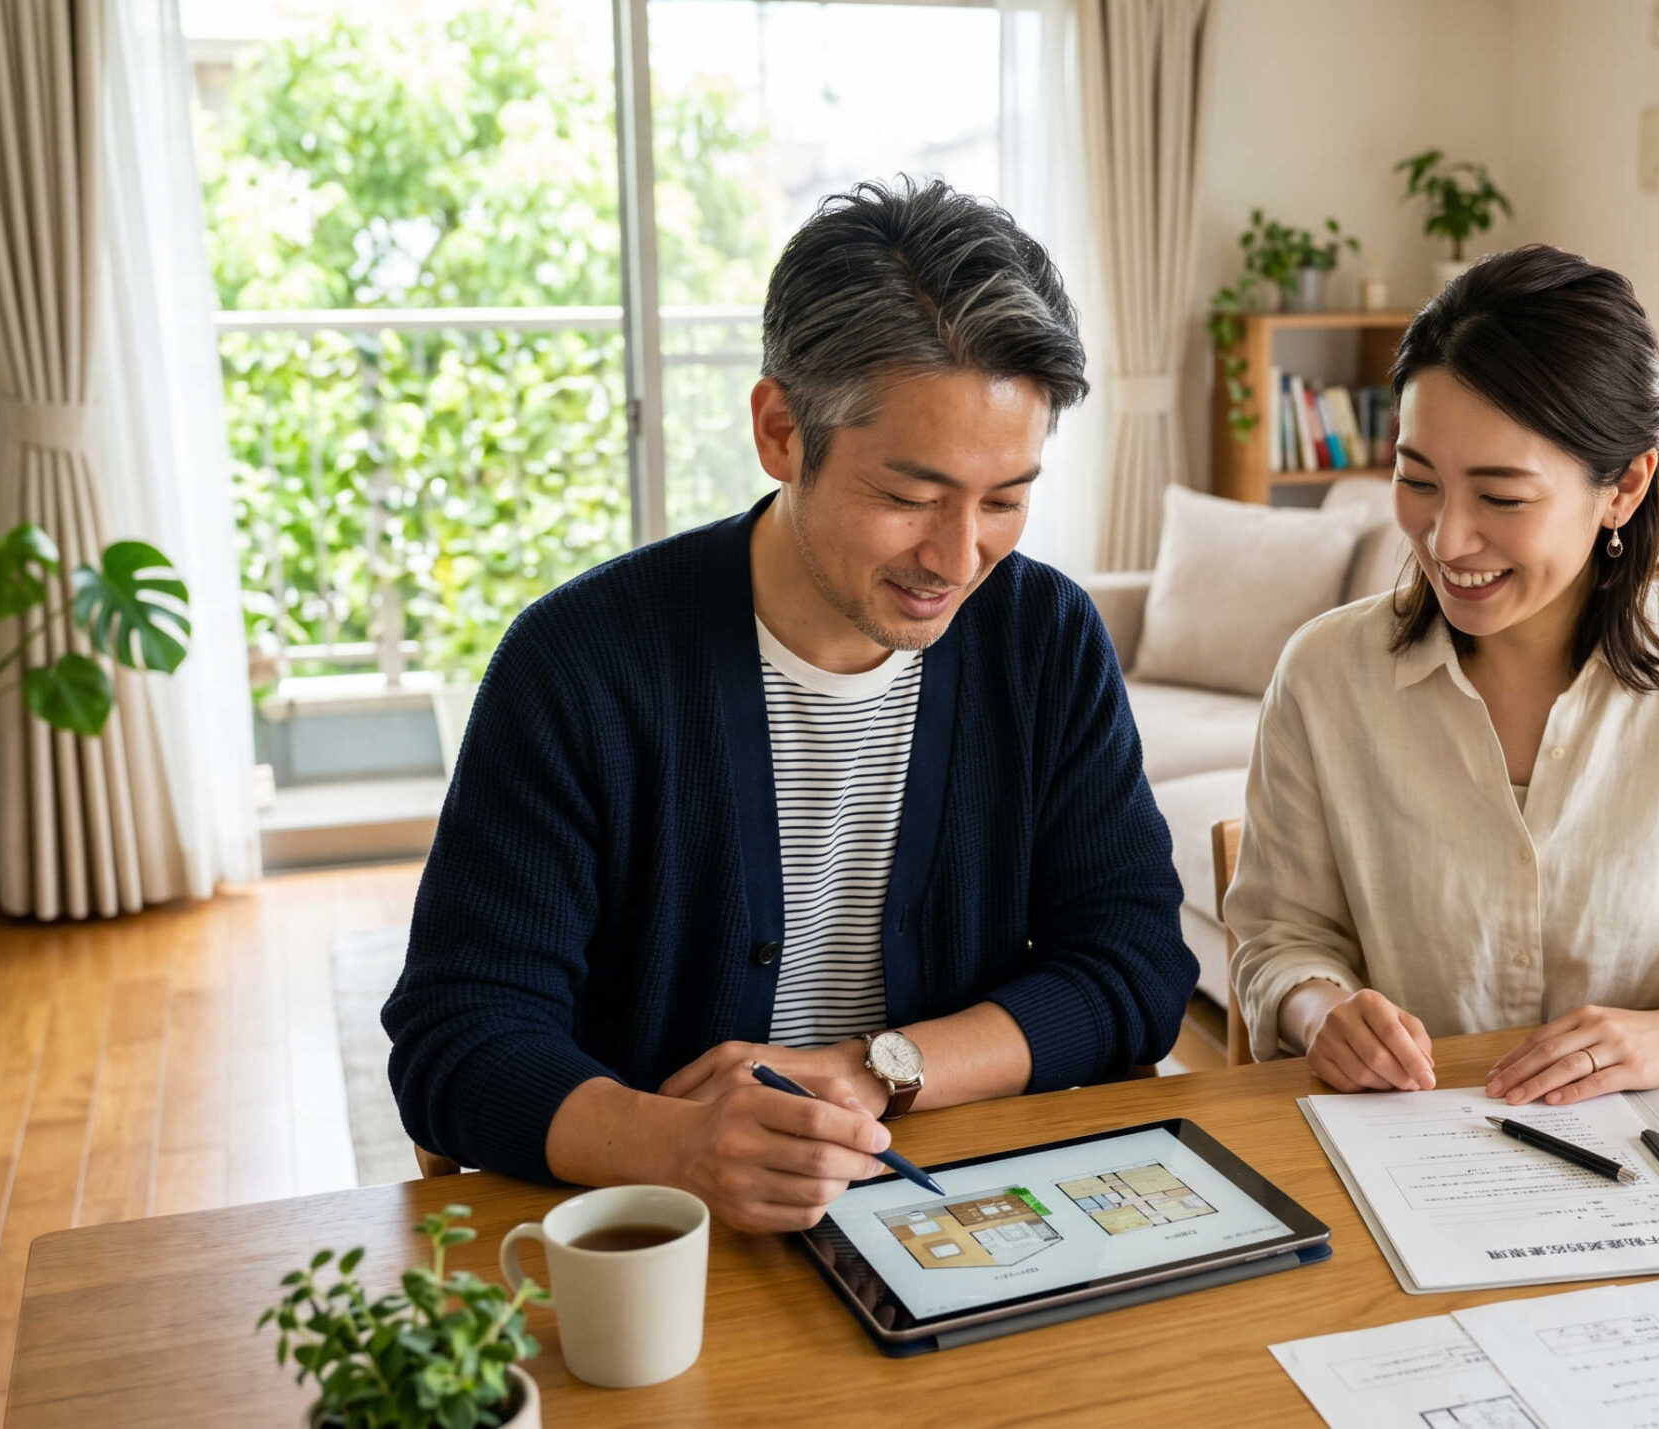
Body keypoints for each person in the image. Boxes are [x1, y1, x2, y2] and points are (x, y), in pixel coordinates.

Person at [384, 178, 1193, 1233]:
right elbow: (460, 1034)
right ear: (780, 431)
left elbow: (1135, 965)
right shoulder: (579, 665)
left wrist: (879, 1068)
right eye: (908, 497)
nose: (957, 560)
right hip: (654, 1237)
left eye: (1004, 500)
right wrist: (675, 1145)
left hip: (957, 1207)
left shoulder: (1044, 640)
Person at [1223, 244, 1659, 1105]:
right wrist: (1320, 1011)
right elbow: (1277, 938)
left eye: (1501, 497)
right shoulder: (1325, 676)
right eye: (1418, 480)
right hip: (1409, 1154)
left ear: (1624, 487)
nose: (1445, 539)